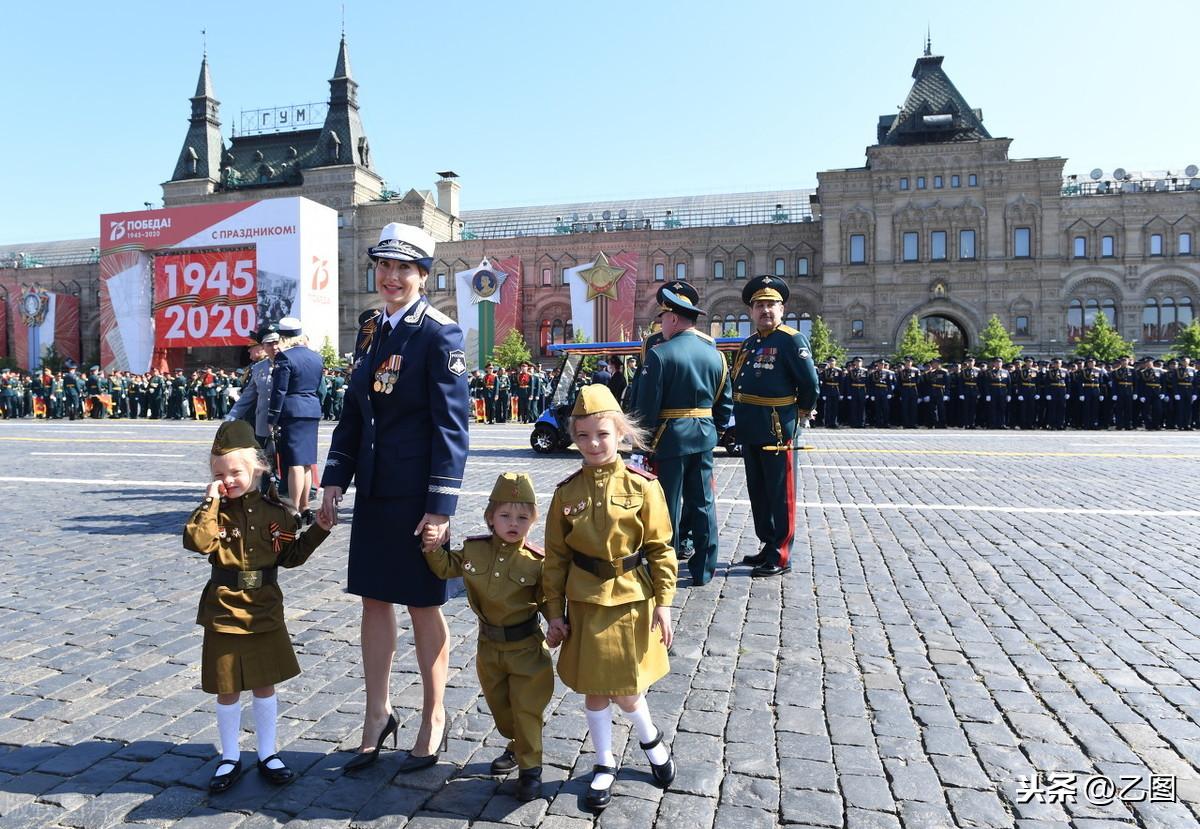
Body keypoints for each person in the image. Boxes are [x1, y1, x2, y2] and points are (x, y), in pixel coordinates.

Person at [319, 222, 469, 774]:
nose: (391, 277)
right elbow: (355, 412)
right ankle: (376, 713)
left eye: (403, 268)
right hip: (377, 491)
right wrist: (334, 479)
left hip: (417, 496)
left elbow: (453, 428)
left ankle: (434, 715)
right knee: (374, 601)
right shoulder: (369, 330)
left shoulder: (439, 334)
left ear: (423, 275)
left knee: (424, 604)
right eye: (383, 266)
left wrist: (441, 508)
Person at [543, 384, 677, 811]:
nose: (592, 444)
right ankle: (604, 764)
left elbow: (660, 548)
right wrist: (553, 614)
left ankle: (651, 740)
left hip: (632, 601)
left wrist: (664, 603)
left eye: (601, 434)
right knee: (596, 691)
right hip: (585, 603)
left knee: (629, 690)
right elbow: (555, 559)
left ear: (620, 432)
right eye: (582, 436)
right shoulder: (566, 492)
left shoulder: (643, 486)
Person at [184, 420, 333, 793]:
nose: (229, 478)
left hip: (264, 607)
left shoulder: (278, 513)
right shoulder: (214, 512)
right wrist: (211, 498)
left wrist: (320, 530)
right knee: (227, 686)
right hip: (224, 609)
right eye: (220, 473)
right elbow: (197, 543)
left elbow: (290, 557)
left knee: (264, 683)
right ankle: (230, 755)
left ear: (257, 468)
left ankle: (268, 752)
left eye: (235, 471)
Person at [421, 473, 556, 802]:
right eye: (505, 516)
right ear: (490, 518)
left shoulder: (537, 562)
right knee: (502, 710)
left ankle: (530, 771)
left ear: (533, 521)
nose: (514, 523)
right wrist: (431, 546)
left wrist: (556, 622)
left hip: (526, 649)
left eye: (523, 517)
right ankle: (517, 744)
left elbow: (550, 598)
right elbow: (445, 568)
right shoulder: (474, 550)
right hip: (489, 649)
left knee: (526, 709)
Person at [633, 288, 732, 586]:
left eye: (663, 318)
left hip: (669, 439)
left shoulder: (660, 354)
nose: (661, 324)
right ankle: (703, 569)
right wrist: (714, 429)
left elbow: (647, 407)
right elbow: (723, 403)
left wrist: (642, 442)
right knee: (703, 503)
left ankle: (667, 567)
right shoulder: (717, 356)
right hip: (703, 437)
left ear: (673, 319)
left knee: (668, 506)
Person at [730, 275, 819, 578]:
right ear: (751, 312)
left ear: (782, 309)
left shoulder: (791, 340)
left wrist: (801, 414)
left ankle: (780, 555)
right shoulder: (750, 342)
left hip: (778, 428)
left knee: (780, 494)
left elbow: (809, 384)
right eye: (759, 306)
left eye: (771, 305)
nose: (765, 311)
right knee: (759, 492)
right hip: (751, 428)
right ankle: (767, 545)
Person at [267, 318, 323, 523]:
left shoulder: (284, 357)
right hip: (311, 411)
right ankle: (306, 506)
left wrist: (272, 416)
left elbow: (279, 390)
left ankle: (294, 510)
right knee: (307, 463)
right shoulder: (316, 357)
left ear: (282, 337)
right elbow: (319, 386)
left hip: (292, 412)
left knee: (294, 464)